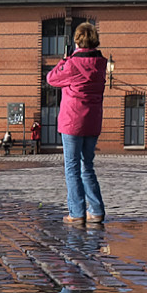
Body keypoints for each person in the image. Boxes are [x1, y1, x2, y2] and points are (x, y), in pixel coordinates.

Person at [46, 22, 107, 225]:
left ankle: (76, 212)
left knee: (72, 168)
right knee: (86, 165)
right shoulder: (101, 63)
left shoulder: (72, 64)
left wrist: (63, 60)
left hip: (72, 121)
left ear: (77, 40)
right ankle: (96, 210)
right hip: (92, 120)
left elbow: (52, 78)